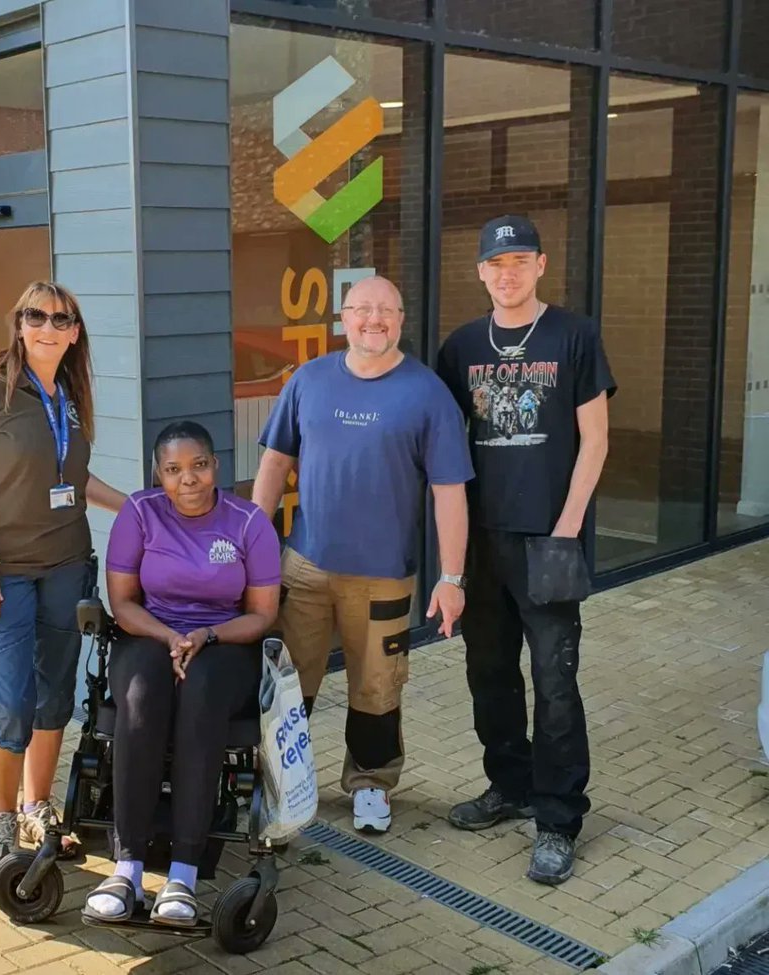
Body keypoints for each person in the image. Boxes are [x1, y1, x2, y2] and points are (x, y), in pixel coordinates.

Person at [252, 275, 474, 835]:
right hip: (303, 568)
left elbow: (450, 491)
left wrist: (452, 576)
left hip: (383, 579)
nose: (373, 320)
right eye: (362, 309)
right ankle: (280, 784)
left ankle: (370, 785)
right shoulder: (308, 380)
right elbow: (274, 465)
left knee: (377, 687)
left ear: (401, 320)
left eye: (386, 311)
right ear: (344, 318)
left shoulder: (427, 394)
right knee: (286, 684)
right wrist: (254, 547)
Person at [437, 215, 615, 885]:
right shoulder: (460, 348)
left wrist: (567, 527)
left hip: (550, 536)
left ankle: (557, 818)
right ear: (480, 272)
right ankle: (510, 785)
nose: (506, 272)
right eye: (494, 262)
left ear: (541, 265)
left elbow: (595, 439)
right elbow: (439, 439)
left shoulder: (575, 335)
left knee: (555, 681)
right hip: (482, 543)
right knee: (489, 672)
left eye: (519, 260)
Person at [0, 282, 126, 872]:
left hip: (67, 569)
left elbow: (79, 478)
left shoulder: (69, 394)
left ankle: (37, 805)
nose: (48, 326)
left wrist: (138, 507)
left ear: (75, 332)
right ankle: (1, 821)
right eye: (35, 315)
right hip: (2, 573)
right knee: (8, 701)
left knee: (53, 698)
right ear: (18, 323)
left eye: (60, 318)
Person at [82, 421, 280, 926]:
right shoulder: (139, 513)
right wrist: (170, 637)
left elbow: (261, 615)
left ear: (215, 466)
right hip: (149, 633)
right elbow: (123, 603)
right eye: (172, 469)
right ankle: (126, 866)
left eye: (198, 466)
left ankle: (184, 873)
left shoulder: (248, 521)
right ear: (158, 474)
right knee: (142, 695)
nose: (186, 478)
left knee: (202, 693)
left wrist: (206, 636)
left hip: (225, 643)